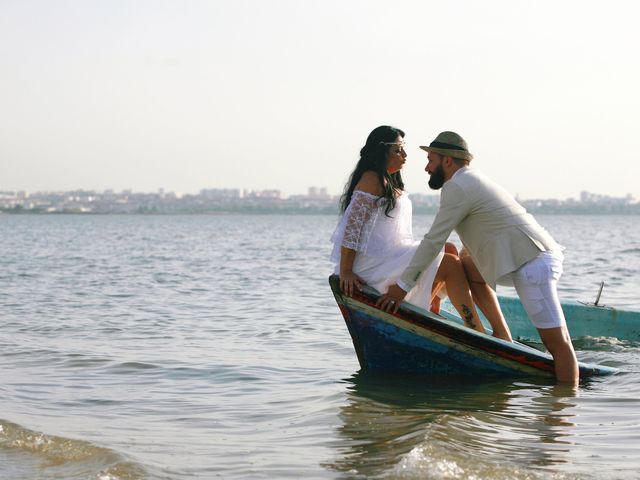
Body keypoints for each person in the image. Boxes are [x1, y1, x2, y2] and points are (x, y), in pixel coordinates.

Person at [377, 131, 579, 385]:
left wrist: (402, 287)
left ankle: (562, 413)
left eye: (430, 160)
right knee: (467, 264)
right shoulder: (467, 180)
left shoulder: (458, 187)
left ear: (447, 161)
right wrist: (438, 294)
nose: (426, 167)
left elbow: (433, 241)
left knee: (558, 344)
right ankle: (502, 336)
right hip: (526, 258)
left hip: (533, 264)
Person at [331, 125, 486, 334]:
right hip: (372, 266)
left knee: (448, 248)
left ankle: (428, 307)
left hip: (390, 256)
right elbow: (352, 227)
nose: (404, 155)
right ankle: (477, 331)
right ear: (381, 152)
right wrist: (346, 271)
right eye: (398, 150)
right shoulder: (371, 179)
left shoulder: (387, 180)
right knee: (449, 263)